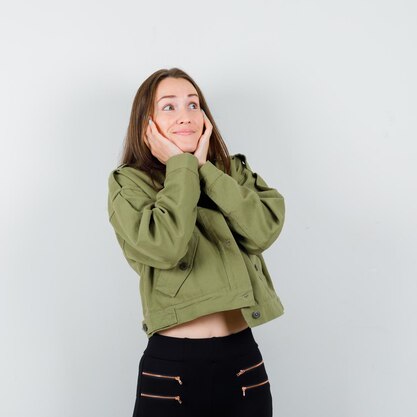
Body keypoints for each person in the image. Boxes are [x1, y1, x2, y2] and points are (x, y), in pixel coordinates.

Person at [107, 67, 286, 417]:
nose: (185, 116)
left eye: (193, 104)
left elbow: (263, 230)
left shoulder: (231, 172)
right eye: (169, 107)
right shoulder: (128, 184)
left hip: (243, 363)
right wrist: (181, 167)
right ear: (147, 123)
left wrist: (205, 170)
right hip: (172, 370)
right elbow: (164, 246)